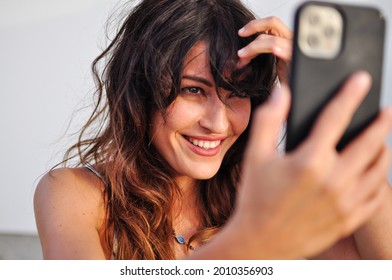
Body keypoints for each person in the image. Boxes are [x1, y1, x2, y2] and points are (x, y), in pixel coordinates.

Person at [34, 0, 392, 260]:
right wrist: (254, 239)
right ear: (140, 90)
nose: (218, 123)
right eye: (193, 90)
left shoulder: (265, 200)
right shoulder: (77, 194)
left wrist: (326, 111)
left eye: (237, 93)